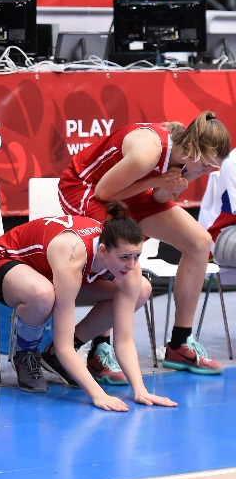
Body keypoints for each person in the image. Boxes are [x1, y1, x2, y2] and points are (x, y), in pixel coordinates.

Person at [57, 113, 231, 377]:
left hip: (133, 191)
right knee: (121, 254)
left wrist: (170, 185)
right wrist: (156, 182)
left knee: (199, 242)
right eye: (207, 165)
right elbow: (104, 194)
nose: (210, 172)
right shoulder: (147, 153)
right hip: (85, 188)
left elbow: (160, 198)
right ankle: (99, 348)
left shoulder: (189, 159)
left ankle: (180, 344)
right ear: (193, 150)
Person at [0, 202, 178, 411]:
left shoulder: (128, 263)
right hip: (4, 260)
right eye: (124, 258)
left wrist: (140, 390)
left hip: (50, 272)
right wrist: (98, 395)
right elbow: (64, 346)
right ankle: (26, 353)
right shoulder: (73, 258)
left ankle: (54, 355)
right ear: (103, 251)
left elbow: (124, 340)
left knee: (141, 289)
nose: (131, 265)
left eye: (136, 256)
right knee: (43, 295)